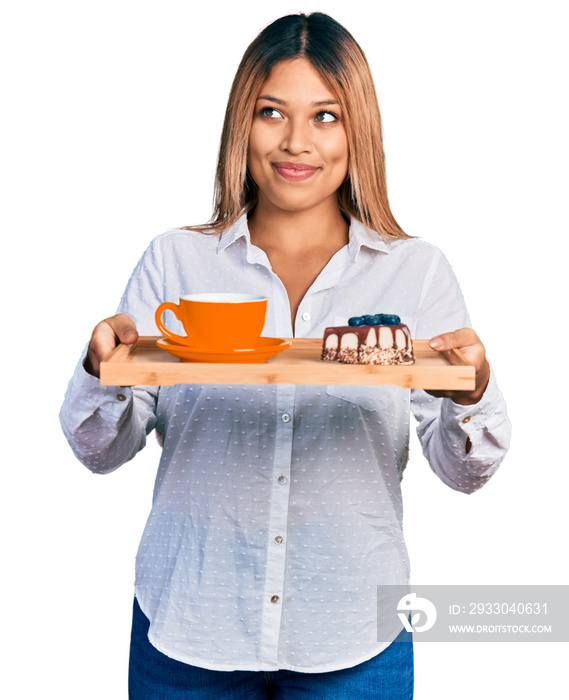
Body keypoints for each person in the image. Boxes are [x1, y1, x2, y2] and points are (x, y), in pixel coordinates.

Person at [60, 12, 511, 700]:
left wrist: (471, 392)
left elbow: (463, 473)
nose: (296, 141)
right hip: (189, 626)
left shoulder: (415, 272)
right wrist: (101, 371)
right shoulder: (174, 261)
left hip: (355, 635)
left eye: (325, 116)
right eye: (272, 112)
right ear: (242, 123)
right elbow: (100, 452)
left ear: (357, 128)